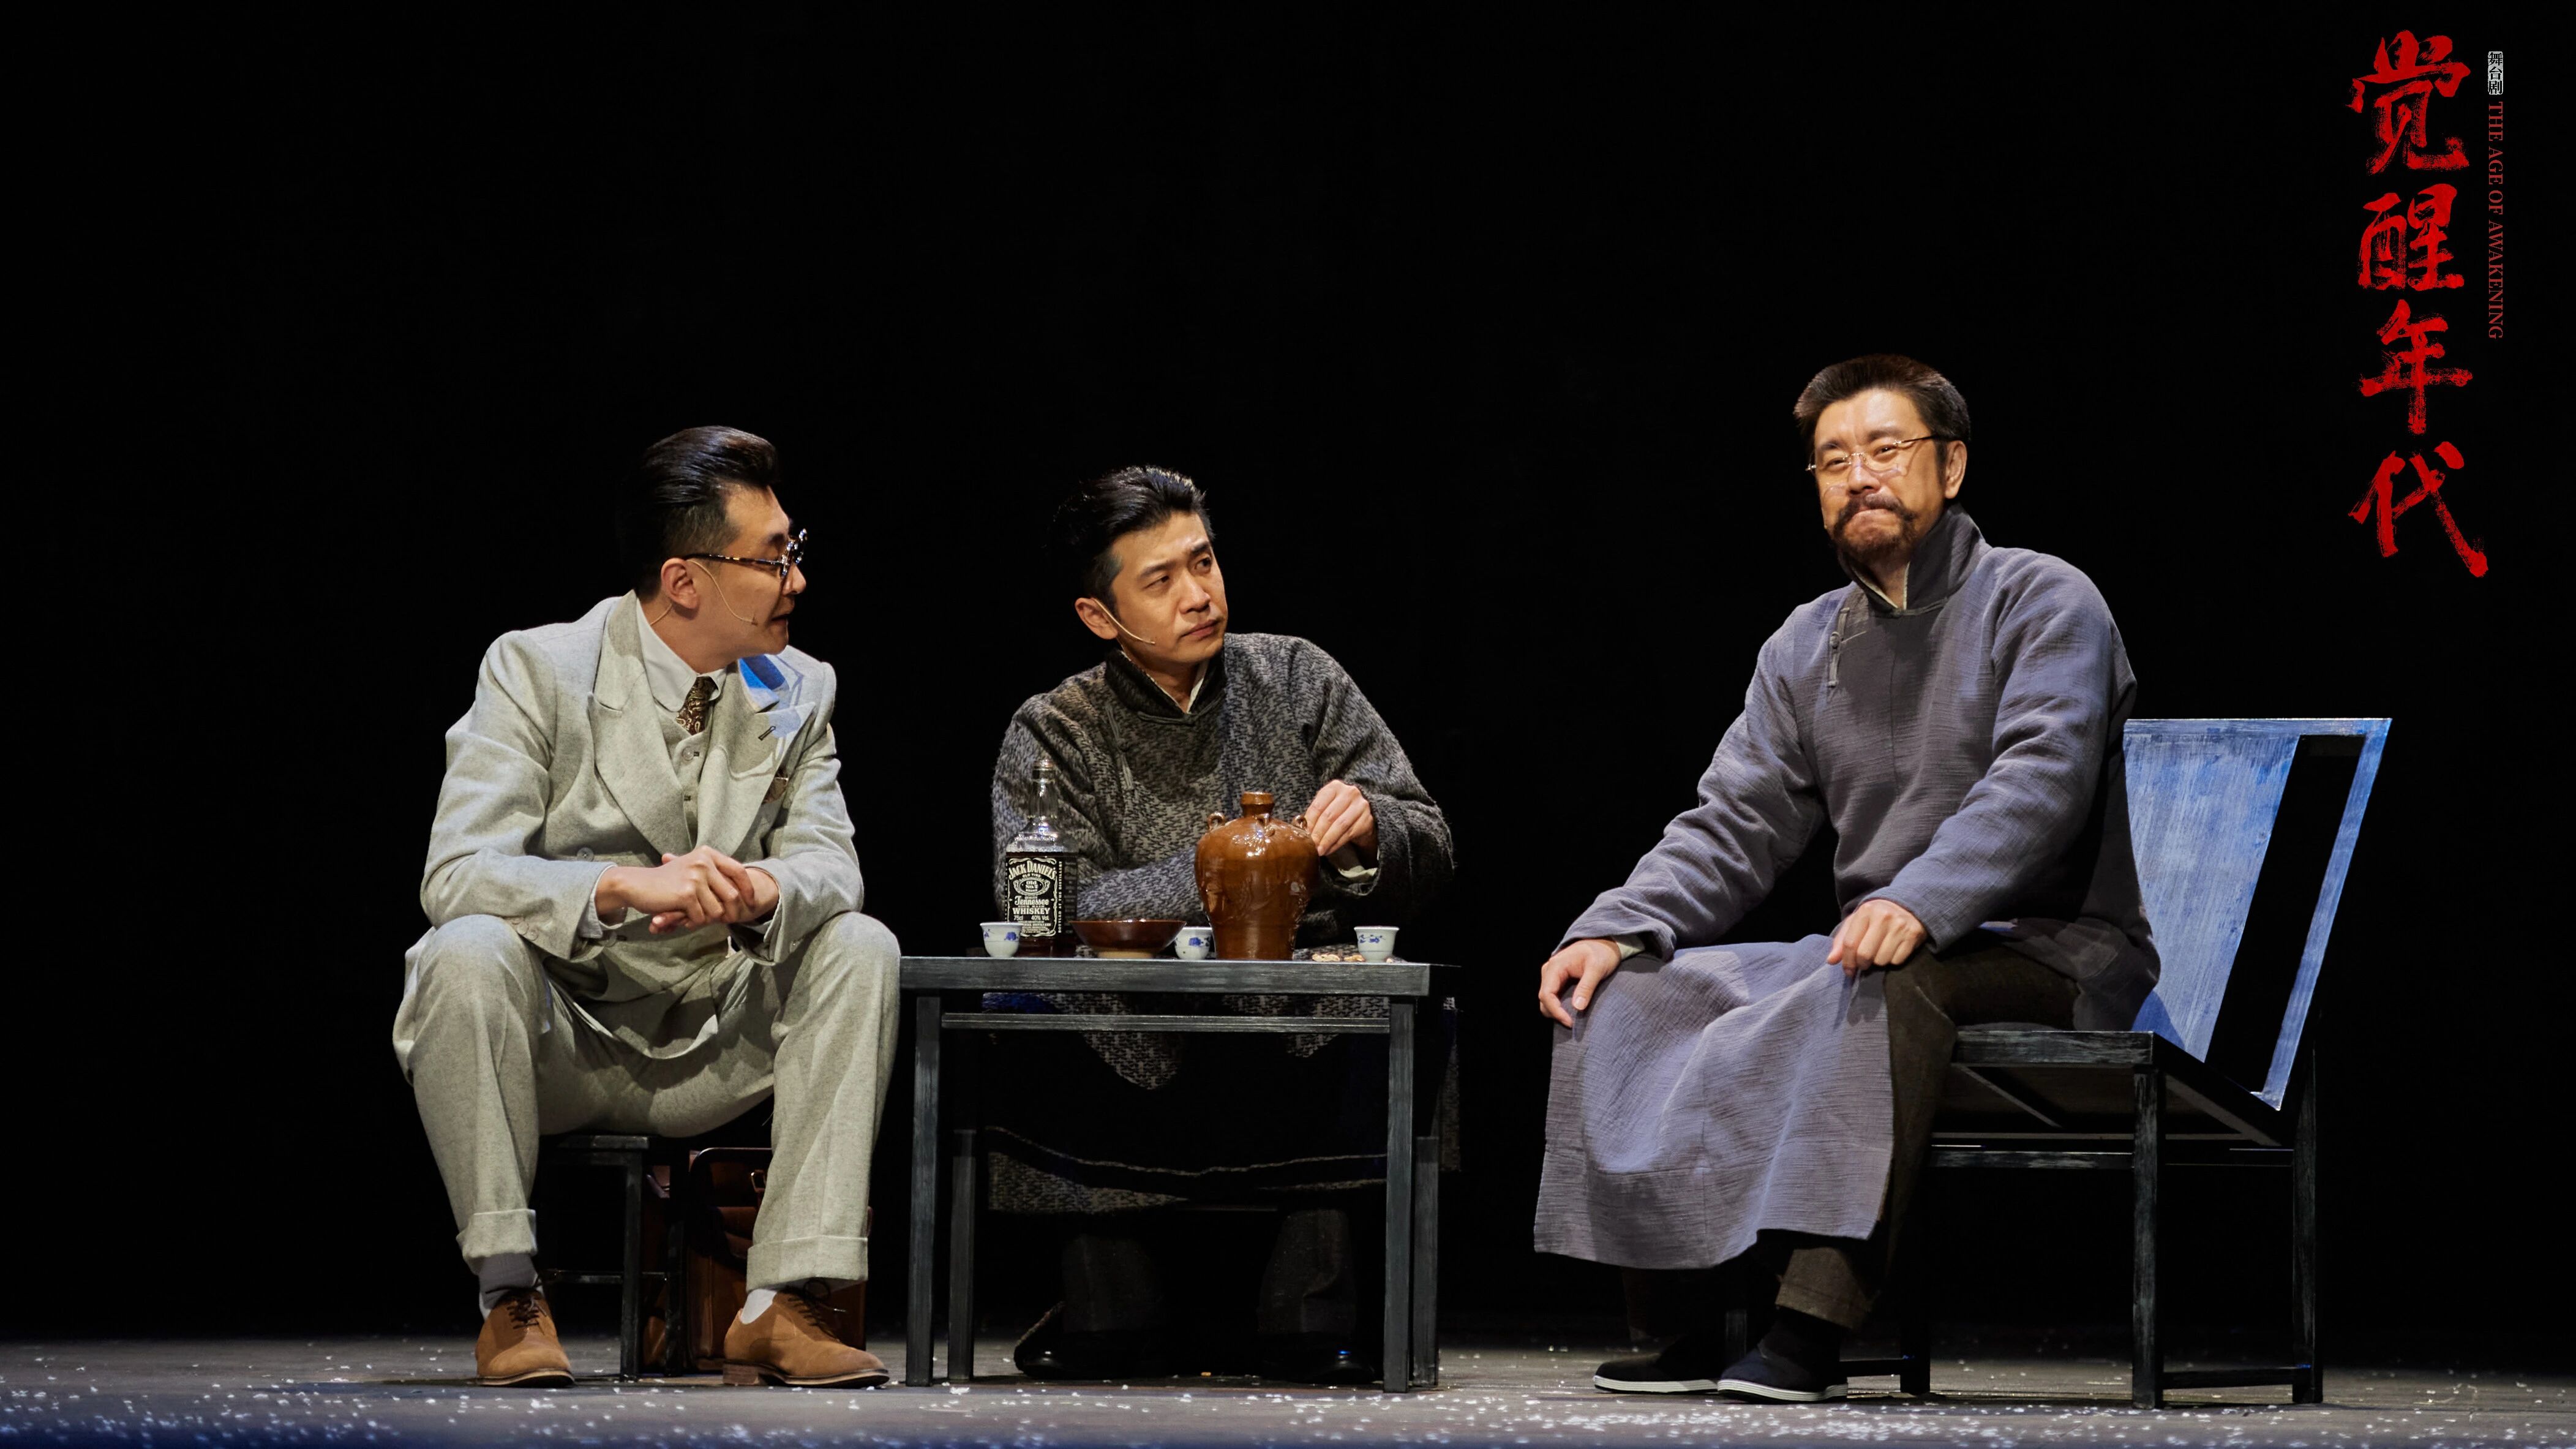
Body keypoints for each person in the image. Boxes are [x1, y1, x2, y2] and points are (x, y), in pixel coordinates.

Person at [1534, 356, 2158, 1402]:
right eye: (1833, 460)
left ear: (1951, 466)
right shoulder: (1805, 643)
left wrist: (1919, 898)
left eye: (1885, 449)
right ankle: (1686, 1316)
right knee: (1636, 988)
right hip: (1877, 945)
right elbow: (1736, 820)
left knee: (1884, 982)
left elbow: (2041, 781)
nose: (1858, 475)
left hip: (2052, 951)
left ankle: (1811, 1327)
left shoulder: (2044, 600)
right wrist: (1620, 923)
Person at [393, 427, 900, 1388]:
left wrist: (764, 888)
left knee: (860, 944)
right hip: (568, 1038)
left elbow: (833, 866)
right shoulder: (539, 668)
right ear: (684, 580)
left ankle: (782, 1299)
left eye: (794, 551)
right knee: (462, 950)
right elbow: (457, 870)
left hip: (718, 1029)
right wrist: (616, 886)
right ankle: (509, 1295)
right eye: (773, 558)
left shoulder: (797, 687)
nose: (796, 578)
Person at [985, 465, 1455, 1383]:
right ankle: (1110, 1306)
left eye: (1203, 562)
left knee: (1369, 998)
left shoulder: (1298, 676)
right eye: (1160, 580)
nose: (1198, 595)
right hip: (1134, 1009)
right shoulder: (1054, 728)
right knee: (1039, 1001)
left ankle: (1312, 1305)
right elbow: (1045, 906)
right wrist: (1234, 867)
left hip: (1294, 1001)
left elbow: (1431, 840)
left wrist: (1370, 833)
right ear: (1099, 616)